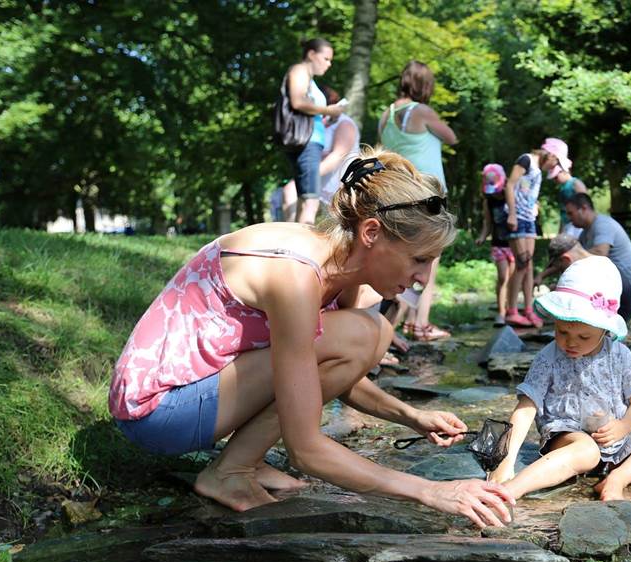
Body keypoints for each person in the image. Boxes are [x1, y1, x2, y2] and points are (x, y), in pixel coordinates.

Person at [108, 149, 515, 528]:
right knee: (368, 332)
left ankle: (242, 458)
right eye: (419, 259)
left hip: (201, 393)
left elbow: (328, 374)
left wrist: (412, 417)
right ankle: (230, 470)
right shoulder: (296, 276)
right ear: (371, 232)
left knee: (371, 334)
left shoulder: (340, 263)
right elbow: (305, 448)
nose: (423, 280)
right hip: (159, 411)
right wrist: (432, 491)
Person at [487, 257, 631, 501]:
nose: (571, 342)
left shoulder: (619, 355)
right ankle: (514, 488)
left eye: (583, 337)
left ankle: (618, 478)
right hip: (569, 437)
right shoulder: (548, 357)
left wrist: (624, 426)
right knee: (587, 450)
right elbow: (526, 409)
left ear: (605, 329)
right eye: (562, 332)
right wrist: (505, 461)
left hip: (616, 441)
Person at [378, 60, 457, 342]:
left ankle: (403, 321)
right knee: (429, 258)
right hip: (429, 193)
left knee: (407, 254)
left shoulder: (385, 116)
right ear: (425, 86)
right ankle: (419, 323)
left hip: (400, 192)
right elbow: (451, 137)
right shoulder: (421, 111)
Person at [283, 38, 345, 226]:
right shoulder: (300, 71)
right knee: (310, 201)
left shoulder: (309, 79)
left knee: (305, 199)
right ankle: (299, 250)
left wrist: (326, 116)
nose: (328, 64)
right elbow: (298, 102)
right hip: (307, 143)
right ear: (311, 54)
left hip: (310, 141)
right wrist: (330, 110)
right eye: (326, 59)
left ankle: (294, 247)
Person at [503, 141, 562, 327]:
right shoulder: (526, 160)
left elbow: (527, 191)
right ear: (551, 154)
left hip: (529, 218)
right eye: (556, 162)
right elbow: (510, 185)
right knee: (521, 263)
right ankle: (511, 311)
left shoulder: (537, 168)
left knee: (528, 265)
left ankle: (528, 310)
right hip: (517, 216)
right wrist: (512, 213)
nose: (554, 168)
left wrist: (534, 205)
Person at [564, 193, 631, 320]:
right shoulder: (585, 232)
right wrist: (543, 275)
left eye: (570, 213)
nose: (569, 218)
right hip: (612, 278)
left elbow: (600, 253)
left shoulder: (602, 224)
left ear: (584, 208)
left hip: (625, 280)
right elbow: (573, 257)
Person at [476, 163, 516, 326]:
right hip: (498, 243)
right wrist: (482, 236)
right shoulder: (489, 202)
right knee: (502, 277)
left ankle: (510, 309)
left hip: (514, 242)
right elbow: (488, 223)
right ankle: (500, 312)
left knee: (512, 279)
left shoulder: (510, 195)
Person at [544, 140, 587, 238]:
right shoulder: (562, 189)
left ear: (563, 171)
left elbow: (585, 203)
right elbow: (563, 212)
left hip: (578, 224)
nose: (555, 180)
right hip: (567, 225)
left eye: (556, 177)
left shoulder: (575, 183)